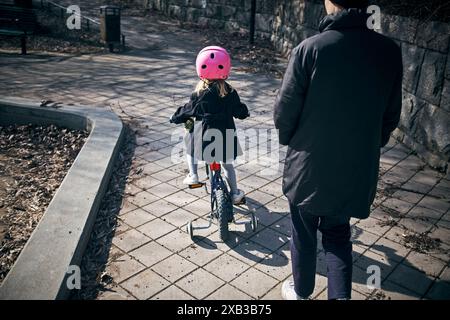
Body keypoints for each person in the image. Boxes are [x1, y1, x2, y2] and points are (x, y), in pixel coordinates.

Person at [274, 0, 403, 300]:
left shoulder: (310, 49)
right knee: (338, 236)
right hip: (354, 170)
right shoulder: (388, 52)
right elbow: (390, 116)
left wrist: (294, 143)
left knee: (303, 235)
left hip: (308, 168)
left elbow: (284, 114)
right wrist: (366, 146)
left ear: (329, 2)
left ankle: (302, 291)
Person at [170, 46, 250, 204]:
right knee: (227, 166)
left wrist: (174, 117)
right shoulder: (230, 92)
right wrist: (244, 113)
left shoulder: (199, 94)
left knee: (190, 144)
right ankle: (235, 193)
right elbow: (239, 110)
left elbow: (187, 110)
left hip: (204, 137)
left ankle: (193, 175)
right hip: (225, 136)